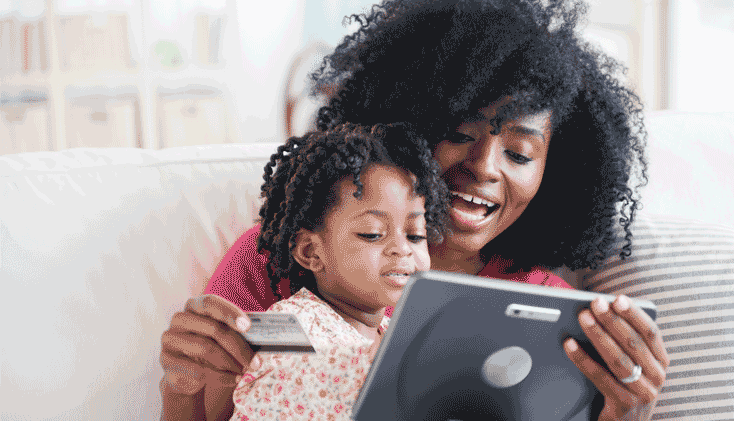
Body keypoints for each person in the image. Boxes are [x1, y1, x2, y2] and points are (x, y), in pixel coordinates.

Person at [159, 1, 670, 420]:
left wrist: (621, 416)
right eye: (458, 134)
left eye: (519, 153)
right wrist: (183, 388)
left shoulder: (547, 309)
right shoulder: (276, 255)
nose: (485, 167)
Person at [228, 122, 444, 419]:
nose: (403, 249)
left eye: (416, 235)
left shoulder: (398, 329)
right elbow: (276, 388)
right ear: (311, 252)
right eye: (372, 233)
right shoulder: (284, 322)